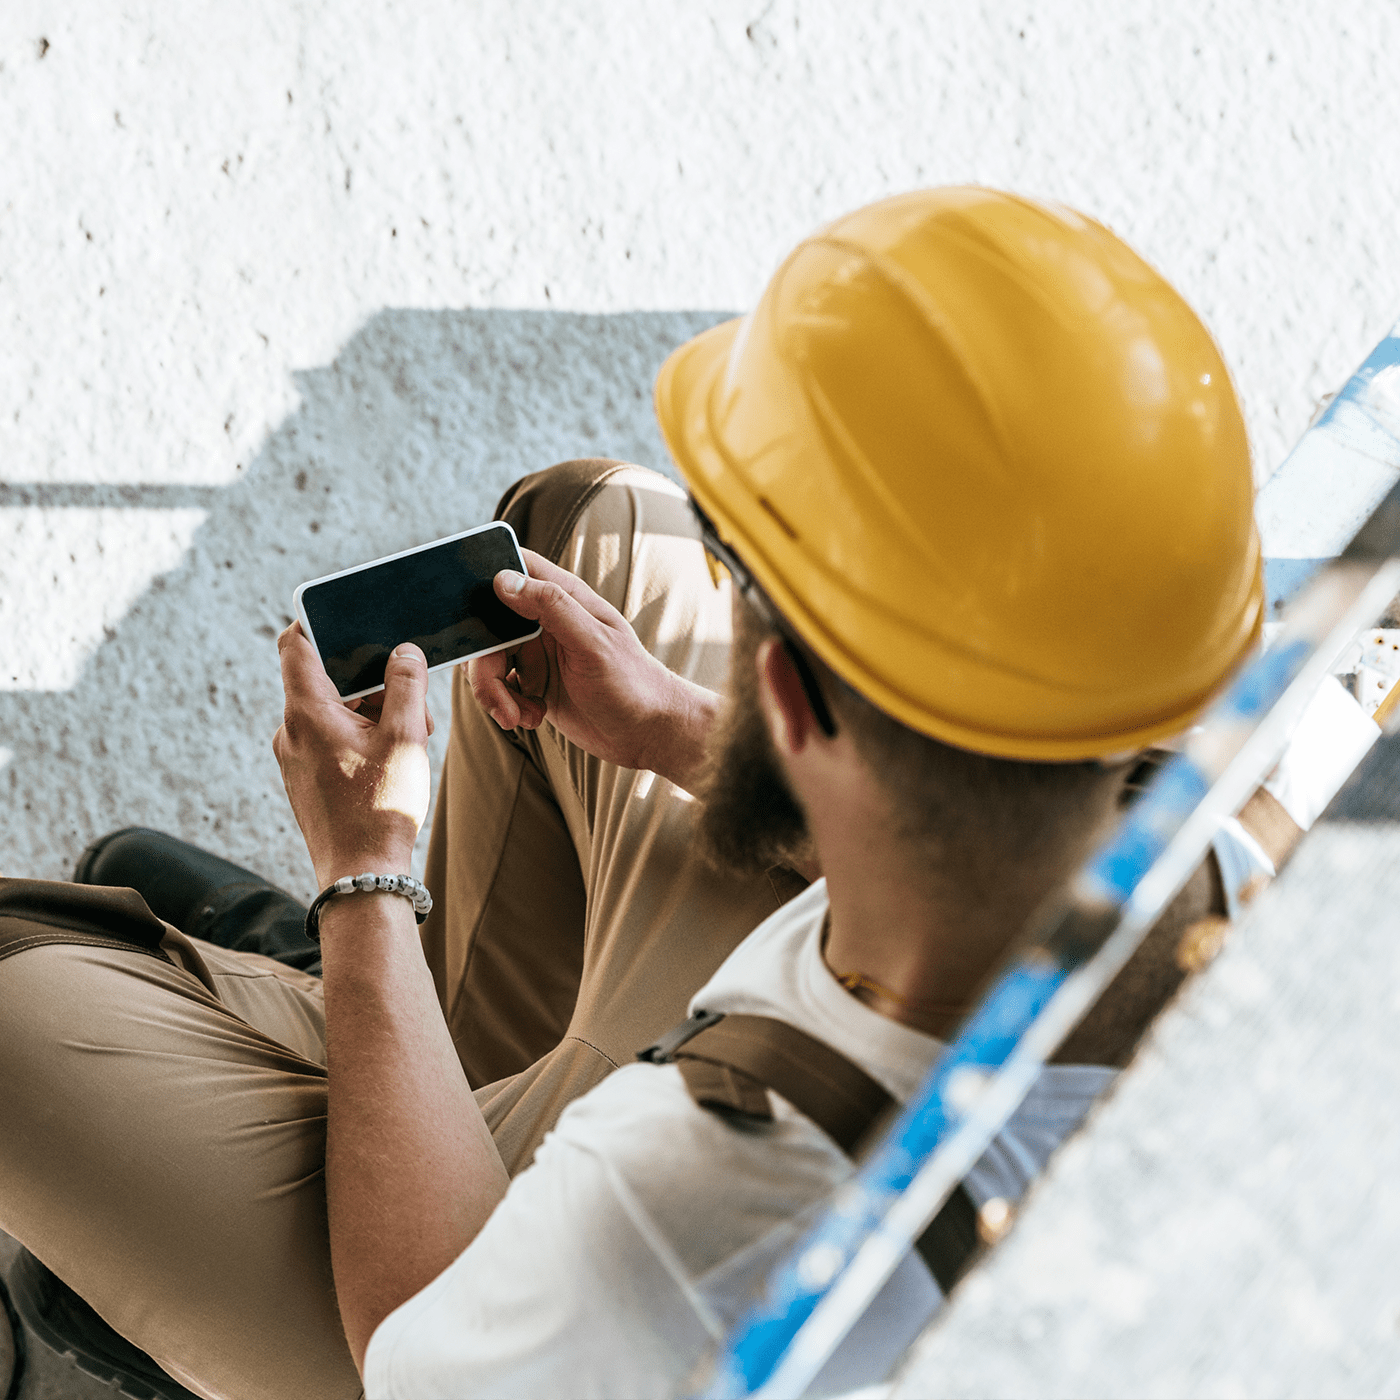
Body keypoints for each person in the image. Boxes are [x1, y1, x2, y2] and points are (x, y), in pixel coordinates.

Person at [0, 187, 1373, 1400]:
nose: (726, 590)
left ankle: (306, 1053)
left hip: (490, 1292)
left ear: (792, 700)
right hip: (901, 1033)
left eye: (745, 578)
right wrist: (667, 723)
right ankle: (382, 1049)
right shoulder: (1287, 781)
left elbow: (418, 1345)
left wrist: (367, 882)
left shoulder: (675, 1218)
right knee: (577, 526)